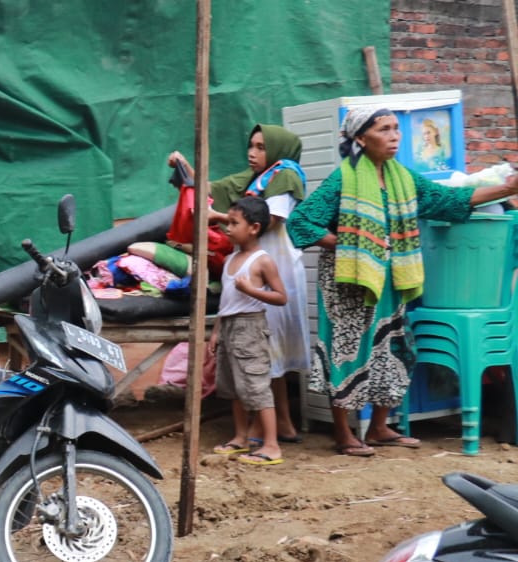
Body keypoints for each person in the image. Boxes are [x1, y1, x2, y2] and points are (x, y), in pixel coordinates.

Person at [287, 106, 518, 456]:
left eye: (396, 128)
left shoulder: (403, 178)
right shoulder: (344, 179)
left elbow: (448, 200)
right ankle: (344, 434)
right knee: (348, 351)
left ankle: (379, 428)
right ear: (361, 139)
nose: (394, 135)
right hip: (349, 281)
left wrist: (505, 189)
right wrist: (349, 243)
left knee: (395, 348)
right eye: (384, 129)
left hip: (390, 277)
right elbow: (301, 223)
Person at [169, 124, 309, 442]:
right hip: (251, 266)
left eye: (261, 147)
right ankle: (282, 423)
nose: (252, 152)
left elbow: (269, 221)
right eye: (251, 145)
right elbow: (207, 188)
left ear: (276, 150)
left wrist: (220, 219)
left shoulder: (284, 175)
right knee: (267, 354)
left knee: (267, 351)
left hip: (275, 267)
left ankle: (264, 428)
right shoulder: (252, 180)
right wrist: (184, 167)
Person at [209, 197, 288, 466]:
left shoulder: (262, 261)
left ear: (254, 228)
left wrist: (252, 290)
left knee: (256, 387)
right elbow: (225, 302)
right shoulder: (232, 258)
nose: (227, 228)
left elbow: (281, 296)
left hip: (250, 327)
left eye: (234, 223)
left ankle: (271, 445)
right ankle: (240, 438)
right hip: (230, 327)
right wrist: (217, 331)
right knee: (232, 387)